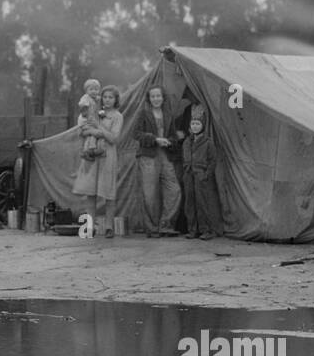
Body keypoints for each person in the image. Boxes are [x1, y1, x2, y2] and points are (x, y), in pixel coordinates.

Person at [72, 84, 123, 239]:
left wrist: (97, 131)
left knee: (108, 192)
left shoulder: (117, 116)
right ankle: (89, 227)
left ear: (115, 100)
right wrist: (90, 130)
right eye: (105, 97)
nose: (107, 100)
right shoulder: (94, 112)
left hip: (108, 155)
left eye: (111, 97)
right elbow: (83, 130)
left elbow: (114, 138)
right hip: (92, 154)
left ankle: (109, 227)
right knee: (90, 192)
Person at [131, 84, 182, 237]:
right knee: (149, 194)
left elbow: (173, 136)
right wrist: (155, 139)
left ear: (163, 97)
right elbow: (136, 134)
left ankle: (166, 225)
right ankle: (152, 228)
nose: (156, 99)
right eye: (153, 96)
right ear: (149, 98)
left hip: (165, 156)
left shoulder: (168, 114)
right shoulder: (143, 113)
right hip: (148, 156)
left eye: (158, 96)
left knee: (174, 190)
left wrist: (169, 141)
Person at [181, 108, 224, 239]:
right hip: (189, 175)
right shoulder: (187, 142)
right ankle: (192, 230)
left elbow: (212, 160)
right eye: (193, 124)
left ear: (203, 125)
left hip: (201, 175)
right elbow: (184, 158)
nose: (195, 126)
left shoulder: (208, 142)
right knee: (189, 203)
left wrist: (206, 175)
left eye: (197, 124)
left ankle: (206, 230)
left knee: (202, 203)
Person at [77, 78, 104, 159]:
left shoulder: (96, 98)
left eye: (96, 89)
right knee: (93, 132)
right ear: (86, 91)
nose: (93, 91)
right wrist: (84, 109)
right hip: (85, 121)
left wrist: (101, 111)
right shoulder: (86, 97)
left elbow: (100, 103)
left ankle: (89, 149)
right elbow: (82, 105)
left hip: (92, 120)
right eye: (91, 89)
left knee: (91, 135)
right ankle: (87, 150)